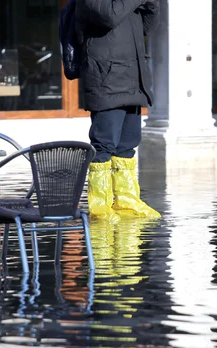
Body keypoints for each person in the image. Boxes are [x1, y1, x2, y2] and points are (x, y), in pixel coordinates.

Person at [76, 0, 161, 221]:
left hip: (133, 80)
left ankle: (127, 200)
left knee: (127, 145)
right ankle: (100, 205)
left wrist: (152, 5)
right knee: (104, 144)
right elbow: (110, 16)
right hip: (106, 81)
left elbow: (146, 27)